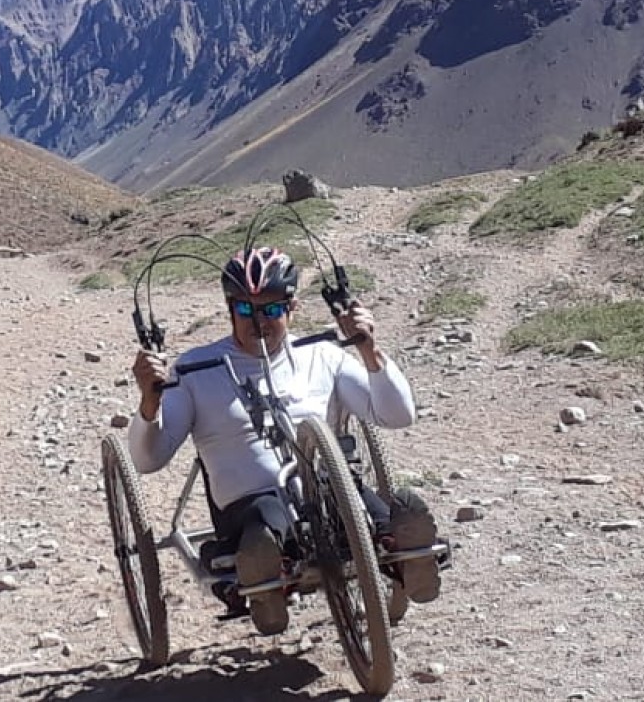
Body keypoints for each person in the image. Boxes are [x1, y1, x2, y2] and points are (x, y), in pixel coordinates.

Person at [129, 246, 441, 636]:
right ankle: (265, 573)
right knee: (266, 519)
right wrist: (149, 399)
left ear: (291, 308)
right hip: (251, 505)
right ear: (229, 309)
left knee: (381, 508)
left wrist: (368, 349)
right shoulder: (194, 369)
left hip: (332, 491)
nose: (258, 321)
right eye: (245, 309)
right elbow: (147, 459)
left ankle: (403, 547)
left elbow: (398, 415)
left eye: (271, 310)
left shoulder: (322, 355)